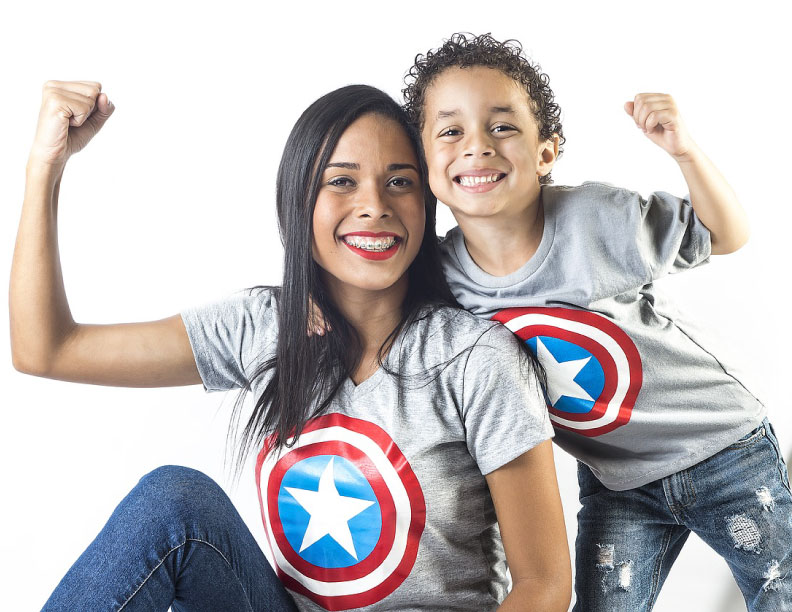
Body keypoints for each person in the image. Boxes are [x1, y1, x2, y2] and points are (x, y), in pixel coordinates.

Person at [10, 81, 571, 611]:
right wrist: (45, 166)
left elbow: (544, 584)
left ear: (428, 201)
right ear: (298, 199)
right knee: (173, 500)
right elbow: (47, 349)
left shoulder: (476, 359)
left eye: (400, 181)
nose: (374, 205)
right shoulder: (266, 327)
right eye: (341, 181)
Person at [398, 33, 792, 611]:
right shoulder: (439, 276)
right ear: (425, 163)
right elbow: (369, 301)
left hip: (722, 447)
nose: (477, 146)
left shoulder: (595, 218)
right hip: (617, 484)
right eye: (451, 131)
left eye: (502, 126)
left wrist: (684, 151)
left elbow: (726, 235)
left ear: (546, 152)